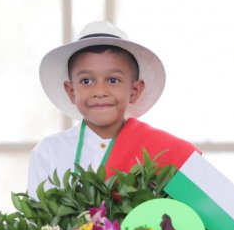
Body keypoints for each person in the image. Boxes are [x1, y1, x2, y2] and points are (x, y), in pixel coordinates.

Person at [27, 21, 199, 196]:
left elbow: (219, 212)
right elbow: (39, 221)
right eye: (86, 81)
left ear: (135, 90)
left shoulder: (164, 149)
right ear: (71, 92)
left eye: (113, 80)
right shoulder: (48, 153)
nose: (100, 92)